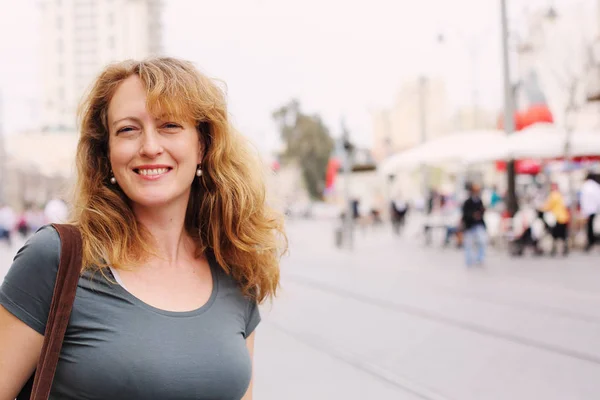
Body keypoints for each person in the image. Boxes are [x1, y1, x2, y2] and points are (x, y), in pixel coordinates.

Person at [0, 57, 286, 399]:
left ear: (202, 146)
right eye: (128, 129)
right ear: (107, 153)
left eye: (169, 126)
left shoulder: (235, 268)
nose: (150, 147)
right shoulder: (58, 258)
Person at [540, 182, 570, 256]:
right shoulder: (560, 195)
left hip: (557, 218)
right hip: (564, 217)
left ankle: (554, 249)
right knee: (563, 235)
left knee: (555, 235)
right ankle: (564, 249)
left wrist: (541, 209)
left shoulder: (553, 195)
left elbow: (547, 206)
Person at [461, 183, 487, 266]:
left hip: (479, 225)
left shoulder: (479, 201)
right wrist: (473, 215)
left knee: (482, 241)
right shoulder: (467, 202)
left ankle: (480, 258)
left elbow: (482, 212)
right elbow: (465, 214)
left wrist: (481, 213)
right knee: (469, 244)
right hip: (470, 225)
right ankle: (469, 260)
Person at [580, 172, 600, 252]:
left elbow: (583, 200)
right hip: (594, 209)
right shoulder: (595, 186)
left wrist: (584, 211)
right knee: (592, 226)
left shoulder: (586, 186)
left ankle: (591, 242)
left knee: (590, 227)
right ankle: (592, 241)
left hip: (589, 210)